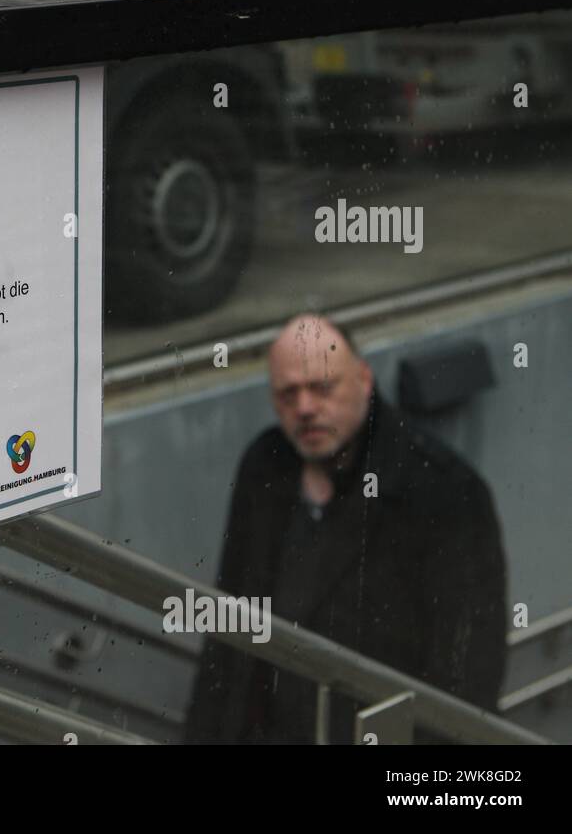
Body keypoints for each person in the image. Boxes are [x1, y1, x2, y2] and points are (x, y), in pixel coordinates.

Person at [184, 314, 507, 743]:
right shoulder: (265, 465)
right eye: (287, 394)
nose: (304, 408)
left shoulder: (443, 490)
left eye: (322, 387)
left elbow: (468, 674)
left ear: (363, 379)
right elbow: (228, 629)